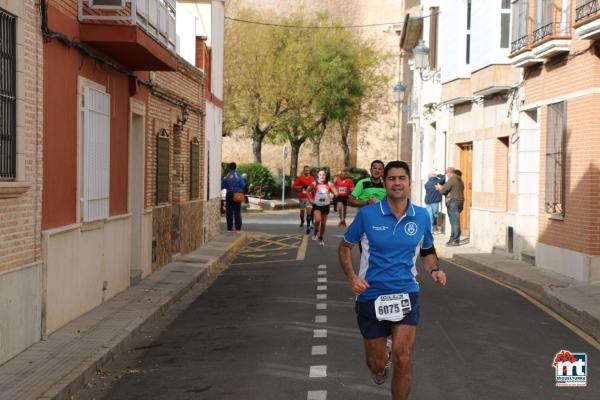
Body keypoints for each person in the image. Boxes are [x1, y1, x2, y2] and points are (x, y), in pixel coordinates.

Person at [338, 160, 447, 400]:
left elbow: (427, 250)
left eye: (402, 178)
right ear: (385, 183)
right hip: (371, 294)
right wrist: (352, 277)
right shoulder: (368, 214)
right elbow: (345, 247)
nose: (397, 183)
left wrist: (434, 270)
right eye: (391, 178)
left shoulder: (420, 216)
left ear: (409, 182)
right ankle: (381, 359)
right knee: (376, 365)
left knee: (404, 357)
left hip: (406, 292)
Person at [435, 167, 465, 246]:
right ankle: (452, 239)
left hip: (453, 202)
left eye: (447, 173)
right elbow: (452, 190)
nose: (447, 175)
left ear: (450, 172)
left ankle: (455, 240)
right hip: (460, 202)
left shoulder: (452, 179)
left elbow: (444, 190)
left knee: (454, 222)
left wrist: (439, 188)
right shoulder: (460, 180)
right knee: (454, 221)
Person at [307, 170, 336, 246]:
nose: (322, 176)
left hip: (326, 205)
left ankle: (320, 237)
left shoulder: (329, 183)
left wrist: (333, 195)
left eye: (323, 175)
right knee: (317, 219)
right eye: (320, 175)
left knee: (323, 224)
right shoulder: (314, 183)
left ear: (325, 176)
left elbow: (336, 192)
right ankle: (316, 231)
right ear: (318, 176)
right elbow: (307, 191)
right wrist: (310, 199)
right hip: (317, 205)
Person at [221, 162, 246, 232]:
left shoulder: (226, 176)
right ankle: (238, 229)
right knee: (237, 212)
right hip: (237, 195)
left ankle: (229, 229)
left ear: (229, 168)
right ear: (235, 167)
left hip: (229, 194)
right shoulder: (238, 175)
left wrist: (228, 186)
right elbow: (243, 185)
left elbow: (222, 185)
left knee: (229, 212)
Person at [292, 165, 315, 233]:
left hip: (309, 197)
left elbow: (315, 185)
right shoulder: (300, 178)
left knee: (309, 212)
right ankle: (302, 221)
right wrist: (301, 187)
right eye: (305, 170)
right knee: (302, 212)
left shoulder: (312, 178)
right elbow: (293, 186)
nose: (307, 171)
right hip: (302, 197)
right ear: (303, 171)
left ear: (309, 171)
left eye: (308, 170)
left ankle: (308, 227)